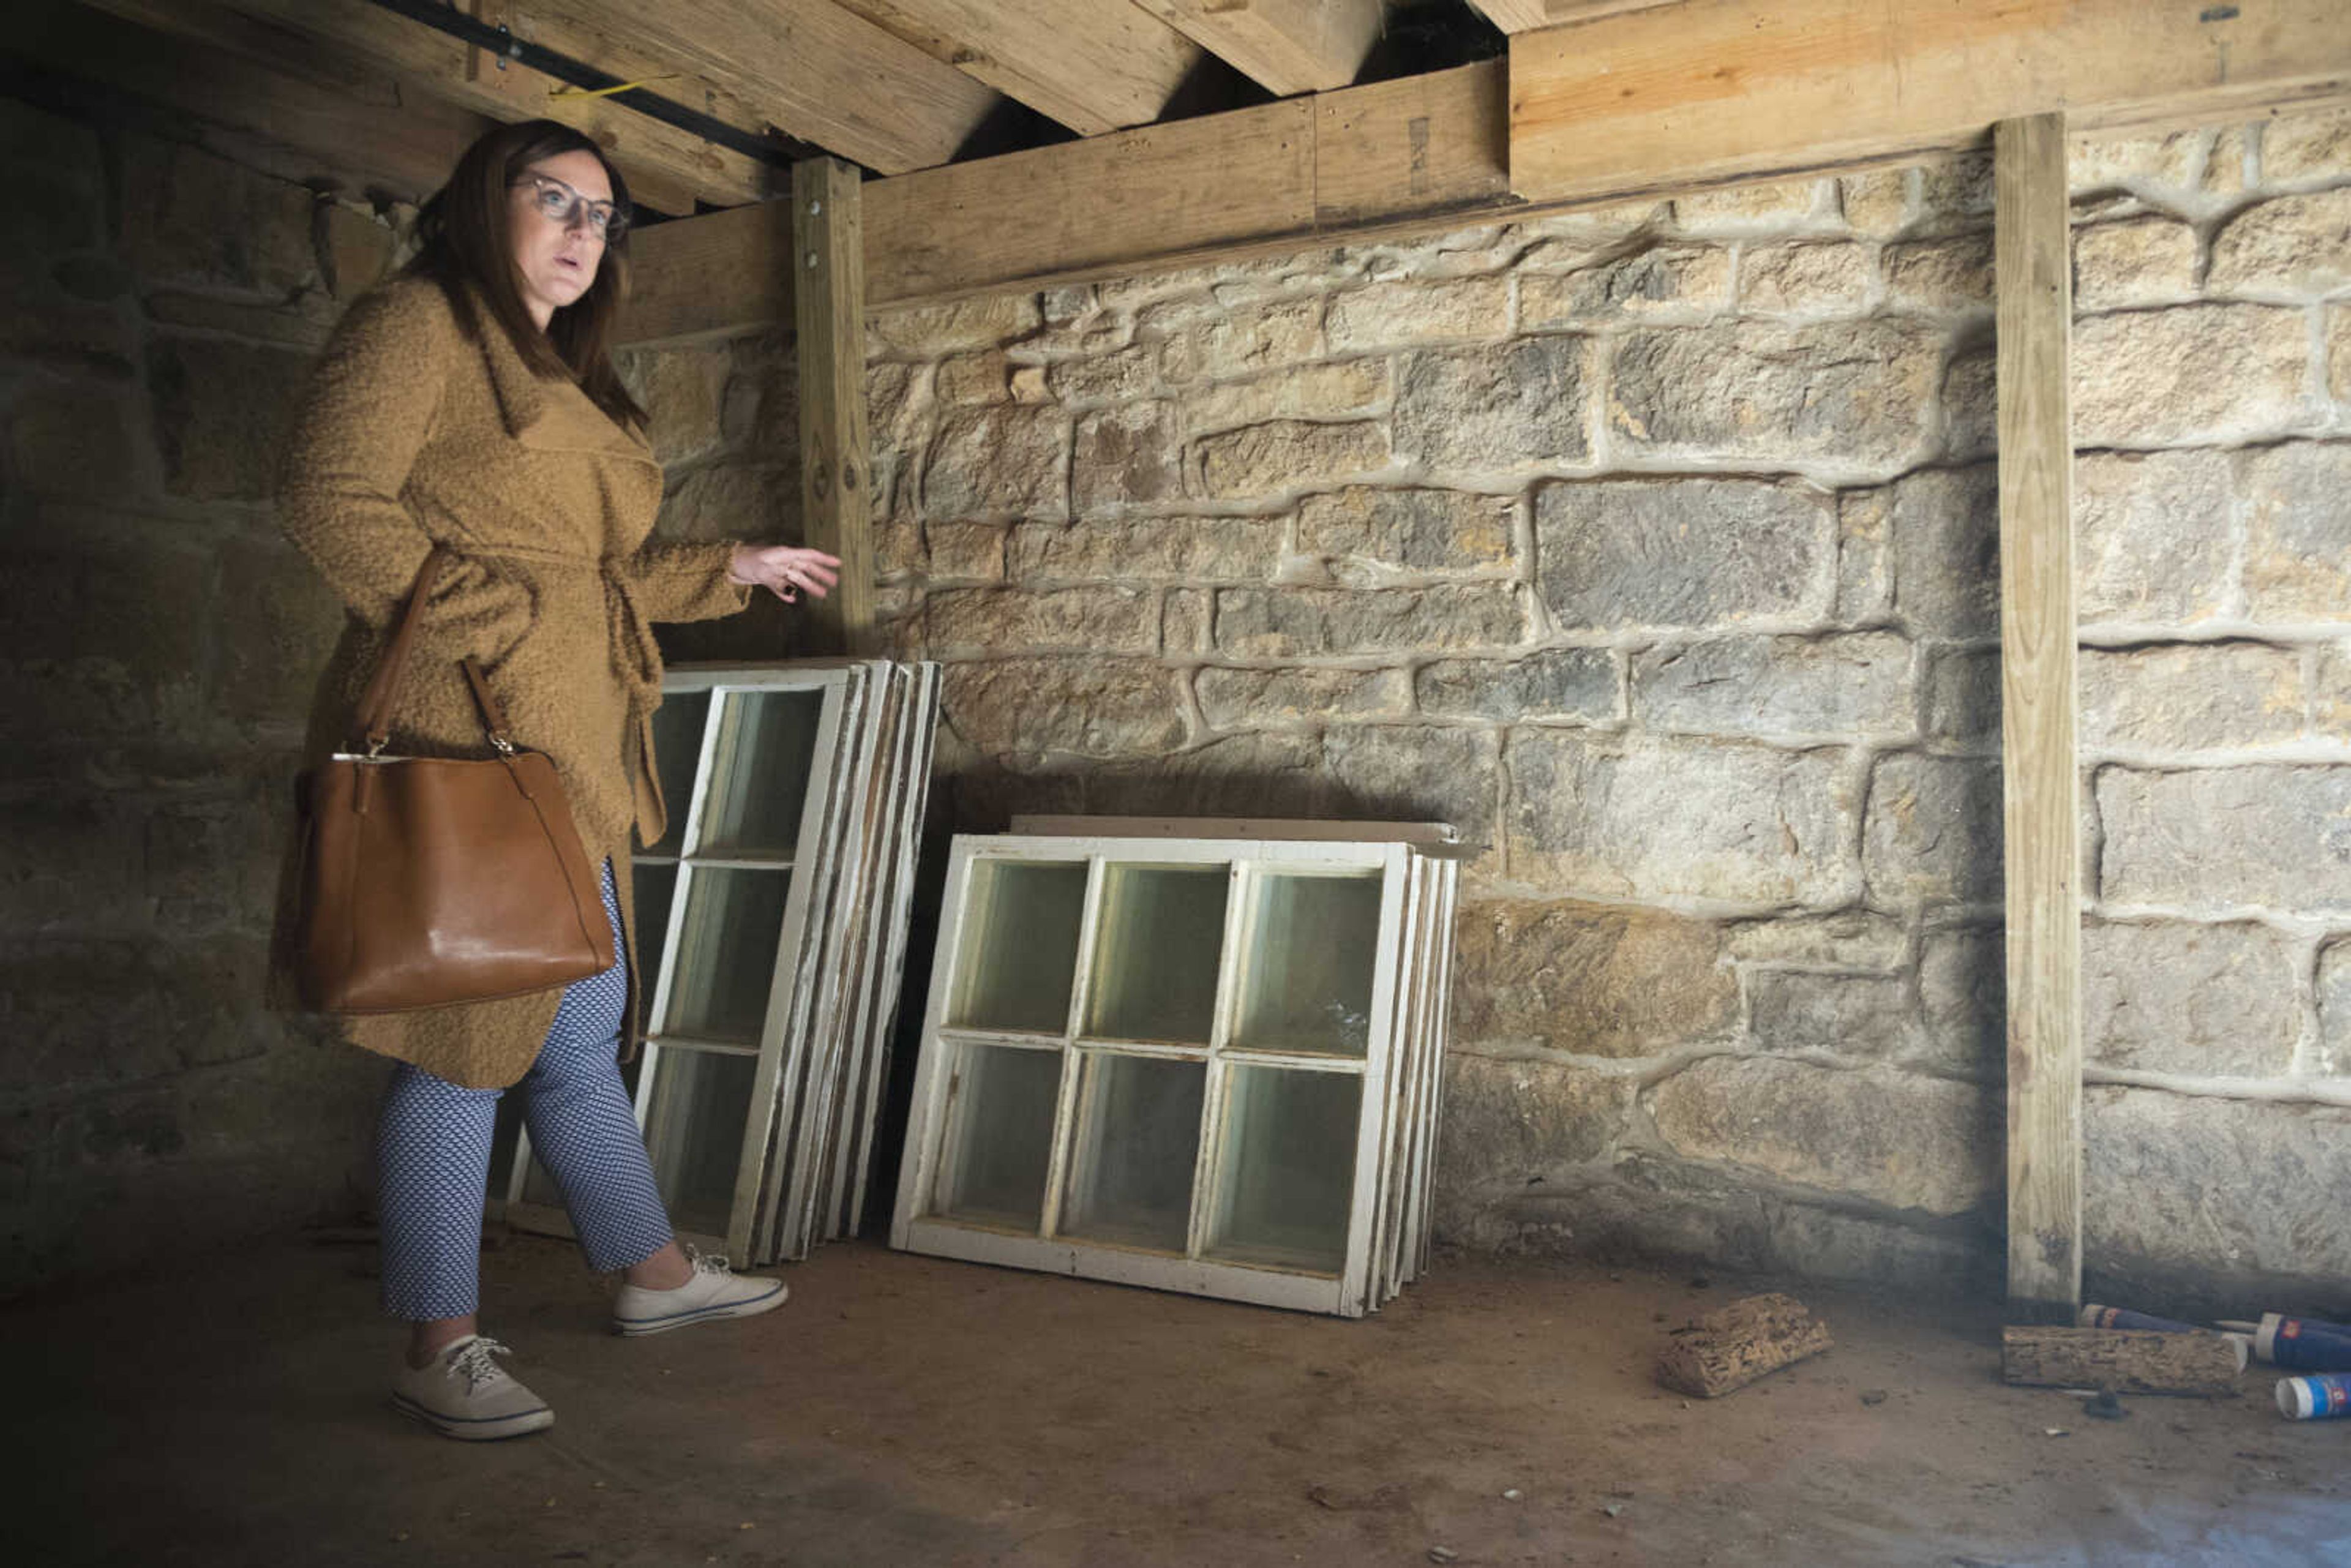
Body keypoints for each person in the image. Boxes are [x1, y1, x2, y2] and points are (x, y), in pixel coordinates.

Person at [276, 118, 841, 1441]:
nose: (586, 233)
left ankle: (649, 1273)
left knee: (582, 1030)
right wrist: (492, 625)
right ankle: (438, 1339)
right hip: (469, 739)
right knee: (462, 1046)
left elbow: (585, 581)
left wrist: (728, 572)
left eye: (605, 216)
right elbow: (324, 493)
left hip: (570, 751)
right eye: (558, 202)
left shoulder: (560, 370)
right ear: (488, 205)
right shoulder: (418, 320)